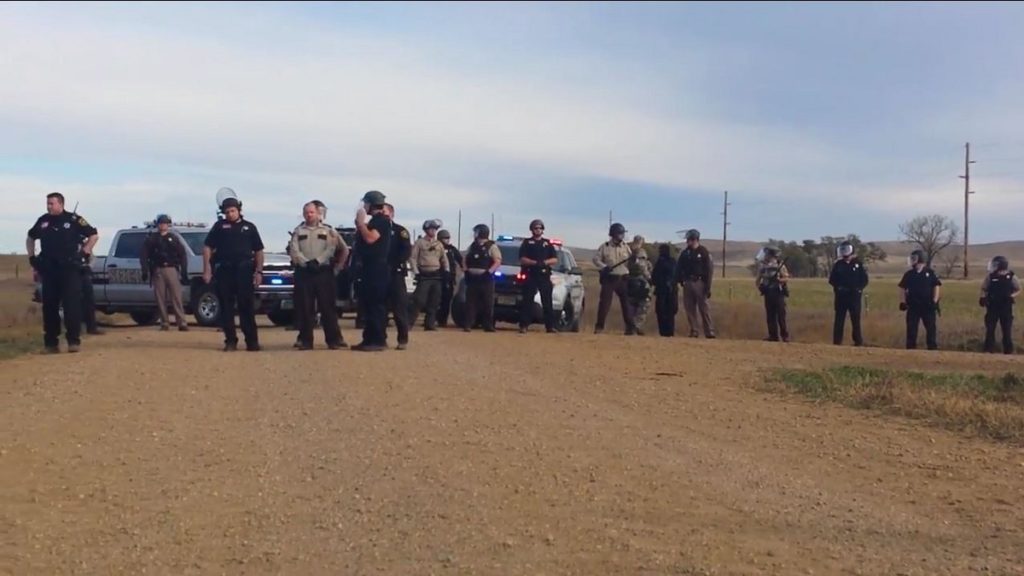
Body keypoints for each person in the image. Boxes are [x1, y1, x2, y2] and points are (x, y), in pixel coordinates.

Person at [26, 192, 98, 353]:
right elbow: (30, 237)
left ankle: (73, 341)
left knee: (71, 306)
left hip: (70, 269)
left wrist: (84, 252)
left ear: (61, 204)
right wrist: (32, 257)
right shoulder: (43, 220)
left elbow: (93, 235)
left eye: (52, 203)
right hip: (49, 269)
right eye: (47, 203)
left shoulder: (73, 220)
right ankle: (51, 343)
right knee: (49, 307)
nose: (48, 206)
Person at [202, 194, 264, 352]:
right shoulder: (219, 227)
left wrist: (258, 271)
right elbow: (207, 247)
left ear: (239, 210)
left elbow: (258, 250)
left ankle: (252, 341)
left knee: (246, 307)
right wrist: (207, 269)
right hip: (224, 270)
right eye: (227, 212)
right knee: (226, 307)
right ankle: (230, 340)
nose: (230, 214)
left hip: (244, 270)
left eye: (232, 211)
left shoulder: (249, 227)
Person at [289, 201, 344, 350]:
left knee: (328, 308)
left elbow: (333, 248)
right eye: (306, 212)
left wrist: (320, 262)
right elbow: (294, 249)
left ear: (318, 213)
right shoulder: (298, 231)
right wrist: (305, 262)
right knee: (305, 308)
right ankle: (306, 341)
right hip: (304, 273)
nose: (309, 215)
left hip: (323, 273)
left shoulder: (329, 231)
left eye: (311, 212)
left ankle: (333, 340)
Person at [352, 190, 392, 351]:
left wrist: (361, 224)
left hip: (377, 268)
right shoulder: (375, 221)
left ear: (371, 204)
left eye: (366, 203)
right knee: (367, 305)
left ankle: (378, 340)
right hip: (369, 268)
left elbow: (370, 238)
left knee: (376, 305)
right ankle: (368, 339)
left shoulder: (381, 221)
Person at [141, 214, 190, 332]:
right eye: (161, 223)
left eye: (165, 223)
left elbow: (182, 254)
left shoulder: (173, 238)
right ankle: (164, 322)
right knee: (160, 298)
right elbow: (144, 255)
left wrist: (184, 271)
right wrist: (145, 270)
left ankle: (181, 322)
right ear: (157, 225)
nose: (163, 225)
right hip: (158, 269)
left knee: (176, 297)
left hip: (172, 268)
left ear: (168, 225)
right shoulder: (152, 239)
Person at [592, 222, 636, 335]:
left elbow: (631, 263)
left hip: (624, 278)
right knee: (604, 304)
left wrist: (634, 260)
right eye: (620, 233)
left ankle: (630, 328)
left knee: (627, 304)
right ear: (614, 234)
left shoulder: (626, 247)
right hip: (610, 278)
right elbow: (596, 259)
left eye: (622, 233)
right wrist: (604, 267)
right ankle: (599, 327)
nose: (622, 236)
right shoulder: (605, 247)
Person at [518, 219, 559, 334]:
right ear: (532, 230)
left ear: (543, 230)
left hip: (544, 275)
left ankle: (550, 326)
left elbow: (555, 259)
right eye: (536, 228)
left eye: (540, 228)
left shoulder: (547, 244)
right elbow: (522, 259)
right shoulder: (527, 243)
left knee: (547, 301)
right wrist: (534, 263)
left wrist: (545, 262)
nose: (538, 230)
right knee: (527, 301)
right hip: (530, 274)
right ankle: (524, 325)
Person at [674, 229, 715, 338]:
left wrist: (708, 286)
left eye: (690, 239)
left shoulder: (703, 252)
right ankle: (694, 330)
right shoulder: (685, 253)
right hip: (688, 282)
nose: (688, 242)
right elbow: (679, 267)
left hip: (700, 282)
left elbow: (709, 270)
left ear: (695, 239)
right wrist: (679, 279)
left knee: (704, 308)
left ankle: (709, 331)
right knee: (689, 308)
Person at [408, 219, 449, 331]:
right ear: (426, 230)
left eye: (435, 229)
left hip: (436, 275)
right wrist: (415, 272)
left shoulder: (438, 244)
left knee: (434, 301)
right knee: (419, 300)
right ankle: (408, 323)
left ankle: (430, 324)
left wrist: (446, 270)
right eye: (431, 229)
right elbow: (412, 258)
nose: (433, 231)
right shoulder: (420, 243)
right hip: (424, 275)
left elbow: (444, 258)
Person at [898, 249, 941, 351]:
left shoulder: (930, 273)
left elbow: (936, 286)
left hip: (928, 306)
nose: (912, 260)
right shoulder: (909, 274)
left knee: (931, 328)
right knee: (911, 328)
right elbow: (902, 288)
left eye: (914, 258)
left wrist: (935, 301)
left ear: (920, 259)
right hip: (913, 306)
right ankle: (911, 348)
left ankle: (932, 348)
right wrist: (903, 302)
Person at [383, 203, 412, 350]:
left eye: (386, 212)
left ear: (392, 214)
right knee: (380, 309)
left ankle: (402, 339)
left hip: (395, 274)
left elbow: (406, 251)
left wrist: (393, 264)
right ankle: (380, 339)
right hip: (379, 274)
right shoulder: (374, 230)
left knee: (399, 308)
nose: (384, 215)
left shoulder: (400, 231)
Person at [462, 224, 502, 332]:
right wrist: (466, 271)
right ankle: (468, 324)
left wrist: (489, 272)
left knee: (487, 303)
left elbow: (497, 261)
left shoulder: (491, 246)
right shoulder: (472, 246)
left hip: (486, 279)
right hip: (472, 278)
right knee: (470, 302)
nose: (474, 234)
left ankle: (488, 325)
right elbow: (464, 259)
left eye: (476, 232)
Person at [829, 240, 868, 346]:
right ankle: (837, 342)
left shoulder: (858, 264)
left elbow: (864, 279)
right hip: (841, 297)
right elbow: (832, 280)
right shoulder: (838, 265)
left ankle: (858, 341)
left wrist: (859, 289)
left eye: (846, 249)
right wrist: (838, 288)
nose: (844, 252)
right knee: (839, 320)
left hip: (854, 297)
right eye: (842, 250)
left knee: (855, 320)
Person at [980, 255, 1021, 354]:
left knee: (1006, 329)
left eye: (995, 264)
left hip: (1006, 306)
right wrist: (983, 297)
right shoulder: (990, 276)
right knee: (990, 328)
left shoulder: (1011, 277)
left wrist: (1012, 296)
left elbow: (1018, 289)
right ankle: (988, 349)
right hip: (992, 306)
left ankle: (1008, 351)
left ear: (1001, 265)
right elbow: (984, 288)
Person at [755, 246, 790, 342]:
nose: (765, 255)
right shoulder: (763, 266)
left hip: (778, 293)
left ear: (771, 255)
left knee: (781, 315)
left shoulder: (780, 265)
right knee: (770, 315)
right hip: (768, 293)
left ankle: (785, 336)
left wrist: (779, 280)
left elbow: (786, 278)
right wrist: (761, 287)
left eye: (766, 253)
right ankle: (773, 335)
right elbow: (757, 280)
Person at [626, 235, 653, 335]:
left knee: (631, 305)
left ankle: (629, 327)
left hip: (629, 280)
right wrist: (649, 277)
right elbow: (642, 266)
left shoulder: (627, 250)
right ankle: (637, 325)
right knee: (644, 304)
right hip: (640, 281)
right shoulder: (640, 252)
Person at [78, 229, 103, 336]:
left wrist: (89, 267)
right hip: (73, 274)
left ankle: (91, 327)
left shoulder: (85, 247)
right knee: (75, 302)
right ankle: (78, 327)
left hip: (85, 274)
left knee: (89, 301)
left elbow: (93, 259)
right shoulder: (68, 246)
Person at [651, 243, 678, 337]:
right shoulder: (672, 261)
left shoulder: (662, 262)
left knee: (664, 311)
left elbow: (655, 276)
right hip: (668, 290)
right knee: (666, 311)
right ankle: (668, 332)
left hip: (665, 290)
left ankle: (665, 332)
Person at [437, 229, 463, 328]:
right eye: (444, 238)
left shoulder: (452, 250)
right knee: (434, 299)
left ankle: (442, 320)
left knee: (446, 300)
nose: (446, 240)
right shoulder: (435, 247)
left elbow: (460, 260)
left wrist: (464, 269)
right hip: (437, 276)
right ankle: (432, 318)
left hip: (449, 278)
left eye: (448, 238)